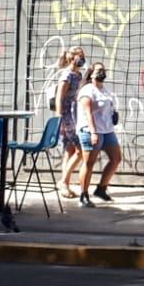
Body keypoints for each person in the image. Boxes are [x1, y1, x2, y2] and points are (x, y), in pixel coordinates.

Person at [75, 62, 122, 208]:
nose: (102, 73)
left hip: (107, 130)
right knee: (89, 163)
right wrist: (93, 132)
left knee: (116, 158)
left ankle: (101, 189)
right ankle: (83, 195)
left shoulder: (106, 90)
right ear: (91, 73)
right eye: (99, 70)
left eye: (103, 70)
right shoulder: (87, 90)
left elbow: (110, 108)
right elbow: (88, 114)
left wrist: (114, 115)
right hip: (90, 130)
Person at [53, 46, 86, 198]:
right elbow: (60, 97)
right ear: (72, 58)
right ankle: (63, 181)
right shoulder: (67, 75)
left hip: (74, 114)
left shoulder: (78, 75)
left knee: (70, 150)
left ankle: (64, 184)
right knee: (80, 151)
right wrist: (60, 121)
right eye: (80, 56)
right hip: (66, 116)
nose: (83, 59)